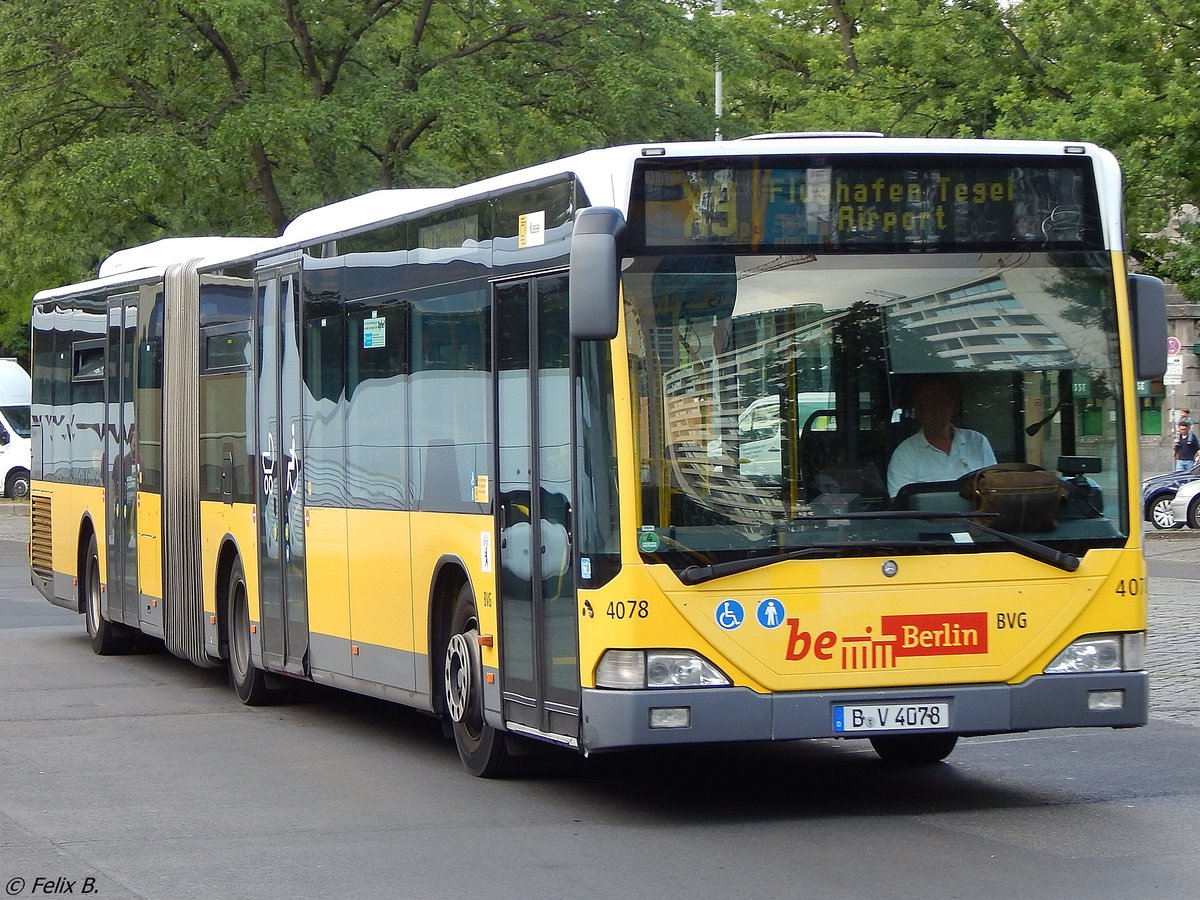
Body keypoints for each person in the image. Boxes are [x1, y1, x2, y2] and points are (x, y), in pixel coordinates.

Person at [887, 378, 997, 497]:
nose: (935, 411)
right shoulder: (905, 452)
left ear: (952, 407)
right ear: (918, 411)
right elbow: (899, 502)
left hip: (976, 514)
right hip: (927, 516)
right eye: (928, 404)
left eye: (940, 403)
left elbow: (995, 487)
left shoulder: (977, 441)